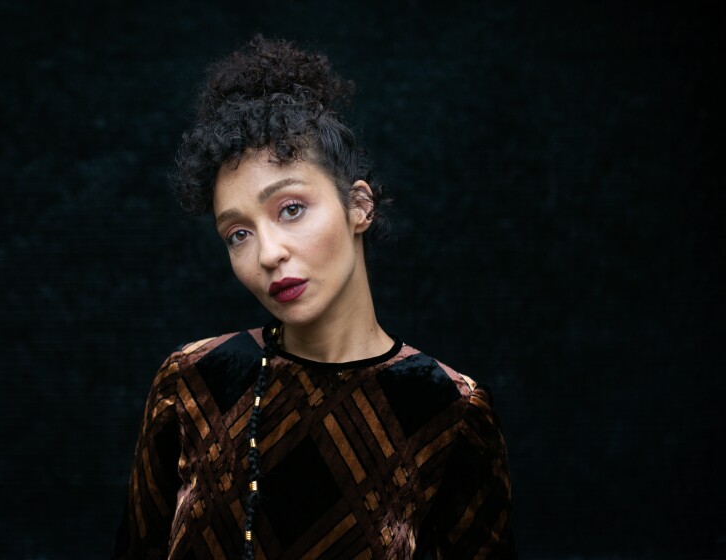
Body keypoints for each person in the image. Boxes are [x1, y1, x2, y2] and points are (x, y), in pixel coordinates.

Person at [112, 35, 516, 560]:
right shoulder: (192, 384)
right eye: (238, 233)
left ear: (359, 207)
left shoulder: (449, 410)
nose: (267, 254)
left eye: (291, 209)